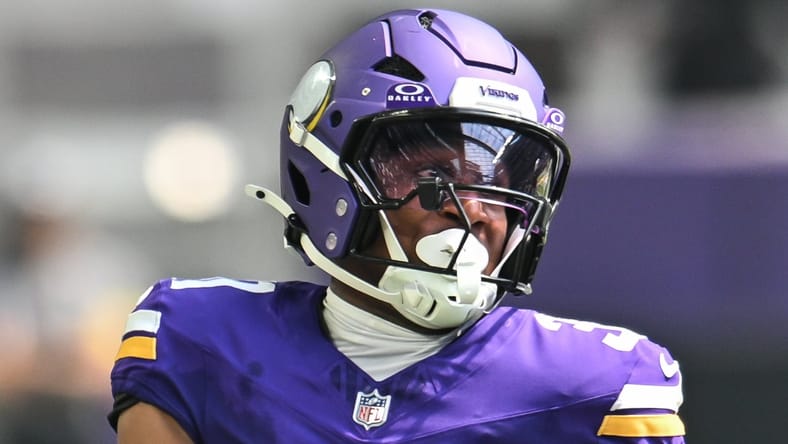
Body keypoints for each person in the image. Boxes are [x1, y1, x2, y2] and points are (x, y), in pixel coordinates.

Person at [108, 8, 686, 443]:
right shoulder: (197, 340)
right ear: (330, 173)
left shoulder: (598, 385)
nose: (478, 211)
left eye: (502, 183)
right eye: (436, 176)